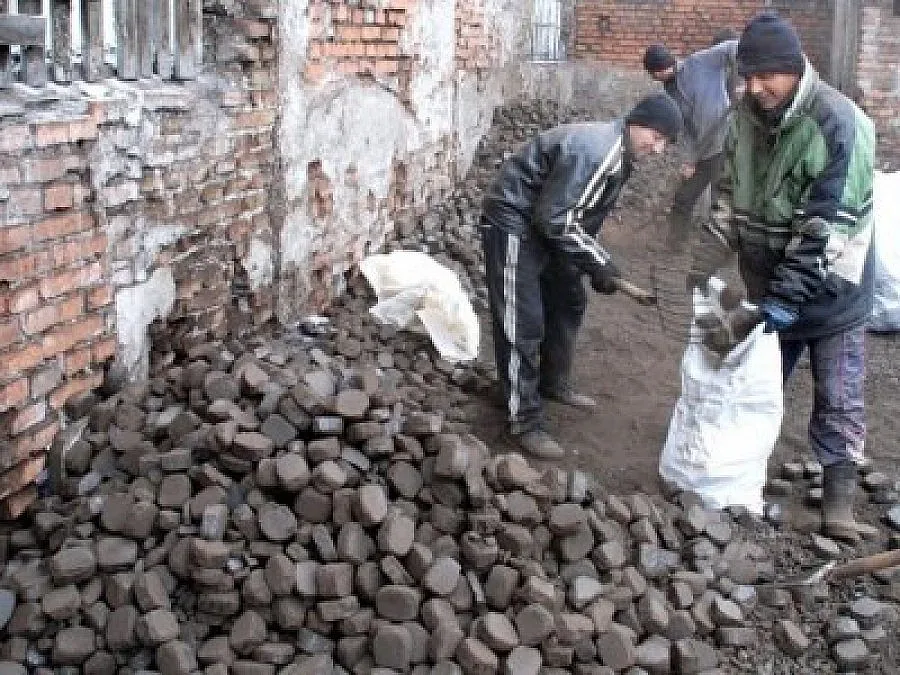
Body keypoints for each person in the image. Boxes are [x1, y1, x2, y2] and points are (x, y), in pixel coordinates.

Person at [688, 11, 876, 542]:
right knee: (755, 386)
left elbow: (827, 227)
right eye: (747, 77)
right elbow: (727, 201)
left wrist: (785, 299)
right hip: (770, 284)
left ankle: (838, 503)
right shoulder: (741, 118)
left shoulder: (840, 124)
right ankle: (741, 478)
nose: (755, 88)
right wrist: (708, 260)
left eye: (766, 76)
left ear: (793, 69)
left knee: (839, 396)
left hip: (832, 290)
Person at [480, 94, 684, 459]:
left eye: (664, 142)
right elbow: (555, 218)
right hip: (515, 221)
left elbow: (581, 215)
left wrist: (589, 263)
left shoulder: (622, 155)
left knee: (569, 300)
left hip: (547, 224)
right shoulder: (598, 151)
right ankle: (521, 419)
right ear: (637, 121)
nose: (658, 148)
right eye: (656, 136)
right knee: (521, 320)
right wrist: (600, 262)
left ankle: (551, 382)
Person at [643, 38, 739, 251]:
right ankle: (675, 245)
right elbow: (684, 130)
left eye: (656, 73)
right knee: (683, 199)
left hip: (729, 143)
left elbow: (733, 48)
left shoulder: (701, 62)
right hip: (702, 153)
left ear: (662, 68)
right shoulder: (670, 94)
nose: (657, 78)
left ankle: (722, 250)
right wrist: (688, 160)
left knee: (723, 201)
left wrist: (747, 77)